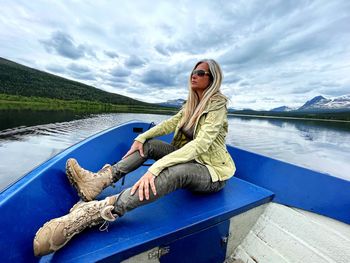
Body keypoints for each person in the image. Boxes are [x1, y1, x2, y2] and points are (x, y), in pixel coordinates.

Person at [33, 59, 236, 256]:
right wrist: (141, 137)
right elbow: (169, 124)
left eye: (201, 73)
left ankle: (96, 212)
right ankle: (98, 182)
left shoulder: (217, 105)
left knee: (175, 173)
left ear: (212, 79)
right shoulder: (191, 104)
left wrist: (156, 168)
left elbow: (200, 144)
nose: (194, 75)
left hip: (212, 171)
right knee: (149, 146)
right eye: (193, 71)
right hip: (190, 158)